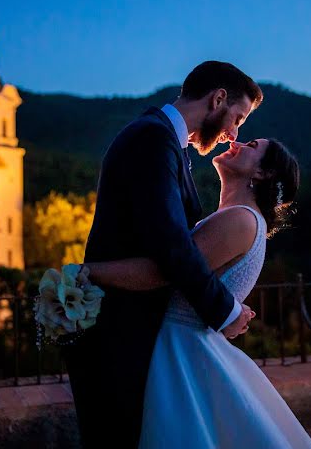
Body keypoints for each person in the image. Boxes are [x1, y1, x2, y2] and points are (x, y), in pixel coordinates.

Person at [63, 61, 262, 448]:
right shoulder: (151, 139)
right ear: (217, 99)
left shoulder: (164, 142)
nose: (232, 133)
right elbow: (172, 247)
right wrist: (226, 310)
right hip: (117, 334)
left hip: (130, 333)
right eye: (236, 117)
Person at [89, 137, 311, 448]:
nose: (236, 141)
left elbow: (165, 273)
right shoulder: (240, 218)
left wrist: (87, 272)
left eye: (250, 145)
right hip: (188, 346)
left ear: (262, 173)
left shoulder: (239, 220)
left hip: (178, 353)